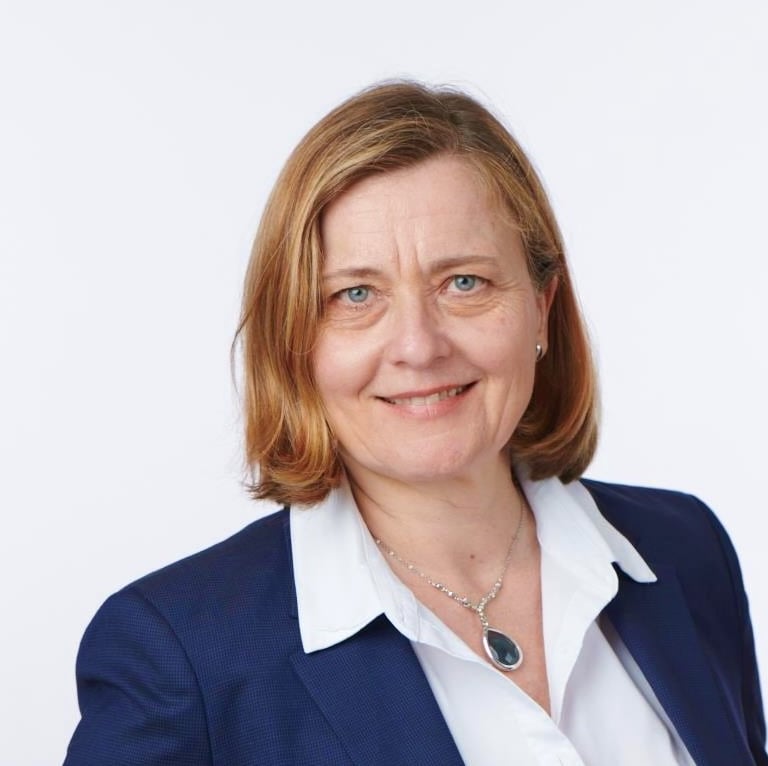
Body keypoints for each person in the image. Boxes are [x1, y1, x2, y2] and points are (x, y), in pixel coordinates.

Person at [64, 81, 767, 766]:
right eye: (355, 295)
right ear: (293, 339)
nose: (419, 346)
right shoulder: (181, 656)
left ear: (542, 309)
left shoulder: (683, 550)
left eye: (464, 282)